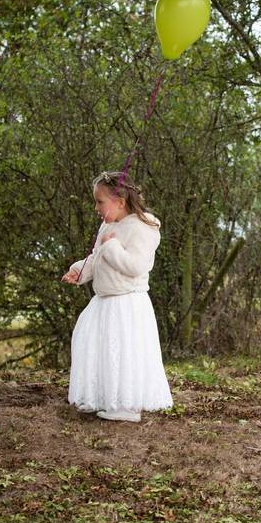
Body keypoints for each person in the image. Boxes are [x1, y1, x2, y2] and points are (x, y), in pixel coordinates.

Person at [61, 171, 172, 422]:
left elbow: (135, 266)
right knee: (94, 345)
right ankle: (101, 397)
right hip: (104, 301)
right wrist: (79, 271)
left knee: (123, 352)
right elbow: (97, 257)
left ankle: (126, 406)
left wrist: (111, 246)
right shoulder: (108, 226)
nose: (96, 207)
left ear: (120, 202)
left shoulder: (143, 227)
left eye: (100, 201)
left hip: (127, 303)